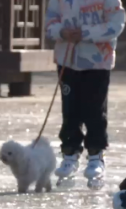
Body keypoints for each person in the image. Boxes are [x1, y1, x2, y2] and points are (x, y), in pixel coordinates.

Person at [45, 0, 125, 184]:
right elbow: (50, 20)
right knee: (70, 110)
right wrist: (61, 32)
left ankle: (96, 155)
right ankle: (69, 153)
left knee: (95, 110)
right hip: (68, 59)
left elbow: (116, 23)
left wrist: (86, 33)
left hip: (97, 61)